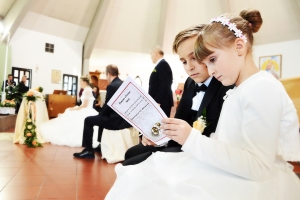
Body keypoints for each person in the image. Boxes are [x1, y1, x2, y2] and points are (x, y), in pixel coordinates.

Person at [105, 9, 300, 200]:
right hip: (226, 164)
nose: (211, 70)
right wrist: (162, 132)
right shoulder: (242, 87)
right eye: (207, 62)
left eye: (212, 60)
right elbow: (226, 140)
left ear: (239, 46)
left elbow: (259, 166)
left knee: (150, 183)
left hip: (252, 180)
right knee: (145, 176)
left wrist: (191, 138)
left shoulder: (261, 87)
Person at [123, 25, 234, 166]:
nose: (189, 67)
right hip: (179, 143)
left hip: (202, 152)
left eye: (194, 57)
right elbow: (180, 119)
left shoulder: (225, 85)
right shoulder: (189, 82)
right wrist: (156, 137)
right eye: (184, 62)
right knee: (131, 153)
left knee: (134, 163)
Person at [73, 64, 131, 159]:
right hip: (123, 119)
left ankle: (88, 150)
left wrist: (100, 114)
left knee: (88, 120)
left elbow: (108, 106)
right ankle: (100, 145)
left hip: (115, 121)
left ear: (108, 74)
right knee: (100, 118)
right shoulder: (123, 83)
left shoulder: (112, 86)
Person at [38, 76, 99, 147]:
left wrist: (74, 109)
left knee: (70, 112)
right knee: (69, 111)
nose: (79, 83)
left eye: (80, 82)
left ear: (85, 82)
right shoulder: (87, 89)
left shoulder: (87, 90)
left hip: (86, 110)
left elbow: (84, 106)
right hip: (86, 108)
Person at [149, 46, 173, 117]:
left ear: (156, 54)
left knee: (161, 125)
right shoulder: (160, 65)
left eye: (151, 54)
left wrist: (158, 101)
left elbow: (165, 84)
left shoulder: (163, 65)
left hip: (162, 103)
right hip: (159, 102)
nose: (151, 57)